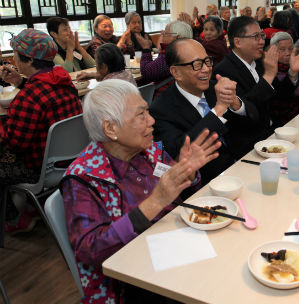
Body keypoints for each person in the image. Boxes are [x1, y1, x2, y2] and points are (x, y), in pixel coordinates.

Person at [61, 79, 221, 303]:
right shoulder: (83, 179)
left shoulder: (148, 151)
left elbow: (174, 187)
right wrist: (156, 201)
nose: (152, 121)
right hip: (133, 281)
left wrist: (186, 170)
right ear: (110, 128)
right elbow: (92, 250)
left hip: (175, 249)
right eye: (141, 115)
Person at [0, 29, 82, 232]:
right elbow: (44, 93)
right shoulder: (63, 81)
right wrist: (20, 81)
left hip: (40, 168)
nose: (13, 59)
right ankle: (31, 208)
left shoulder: (28, 97)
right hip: (72, 160)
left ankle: (14, 218)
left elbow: (14, 143)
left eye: (16, 55)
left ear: (26, 60)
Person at [150, 39, 244, 183]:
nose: (206, 69)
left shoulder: (215, 88)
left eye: (207, 61)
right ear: (176, 72)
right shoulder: (161, 109)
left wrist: (235, 103)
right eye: (197, 64)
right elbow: (178, 151)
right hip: (206, 183)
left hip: (241, 164)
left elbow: (249, 122)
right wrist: (218, 109)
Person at [212, 16, 292, 158]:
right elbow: (247, 112)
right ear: (237, 42)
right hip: (248, 145)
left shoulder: (260, 61)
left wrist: (294, 72)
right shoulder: (224, 71)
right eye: (256, 37)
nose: (262, 41)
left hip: (272, 133)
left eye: (262, 35)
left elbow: (281, 95)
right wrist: (268, 76)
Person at [139, 20, 193, 86]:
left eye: (166, 33)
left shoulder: (171, 55)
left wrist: (146, 49)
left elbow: (146, 72)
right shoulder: (189, 50)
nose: (163, 35)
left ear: (177, 37)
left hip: (165, 93)